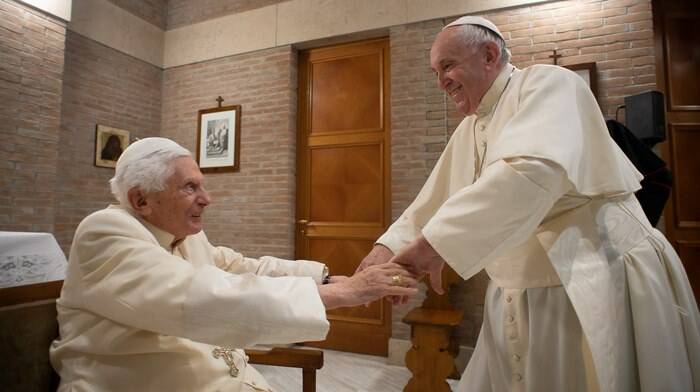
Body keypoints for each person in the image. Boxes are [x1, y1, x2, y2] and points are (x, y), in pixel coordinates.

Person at [357, 16, 700, 392]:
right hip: (516, 294)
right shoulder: (470, 127)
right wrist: (385, 249)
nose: (441, 82)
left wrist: (430, 248)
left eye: (448, 65)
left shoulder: (549, 84)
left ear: (489, 54)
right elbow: (433, 200)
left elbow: (531, 173)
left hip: (591, 277)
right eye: (436, 72)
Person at [50, 137, 417, 391]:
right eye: (190, 188)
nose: (206, 199)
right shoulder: (105, 232)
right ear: (141, 199)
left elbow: (243, 268)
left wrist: (328, 277)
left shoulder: (186, 236)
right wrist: (340, 294)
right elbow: (201, 296)